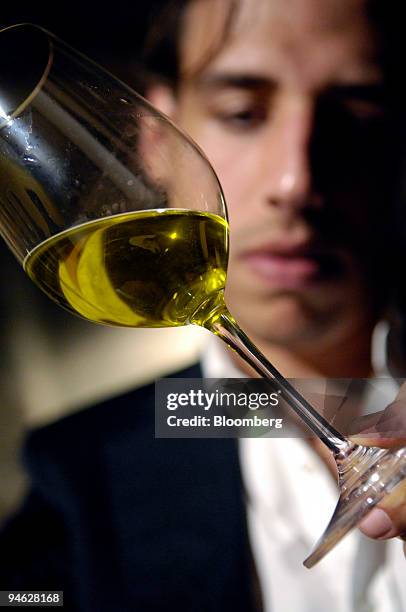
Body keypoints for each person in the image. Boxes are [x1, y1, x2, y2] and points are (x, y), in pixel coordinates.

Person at [1, 0, 406, 610]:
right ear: (159, 138)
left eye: (357, 113)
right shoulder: (78, 483)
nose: (295, 181)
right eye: (243, 113)